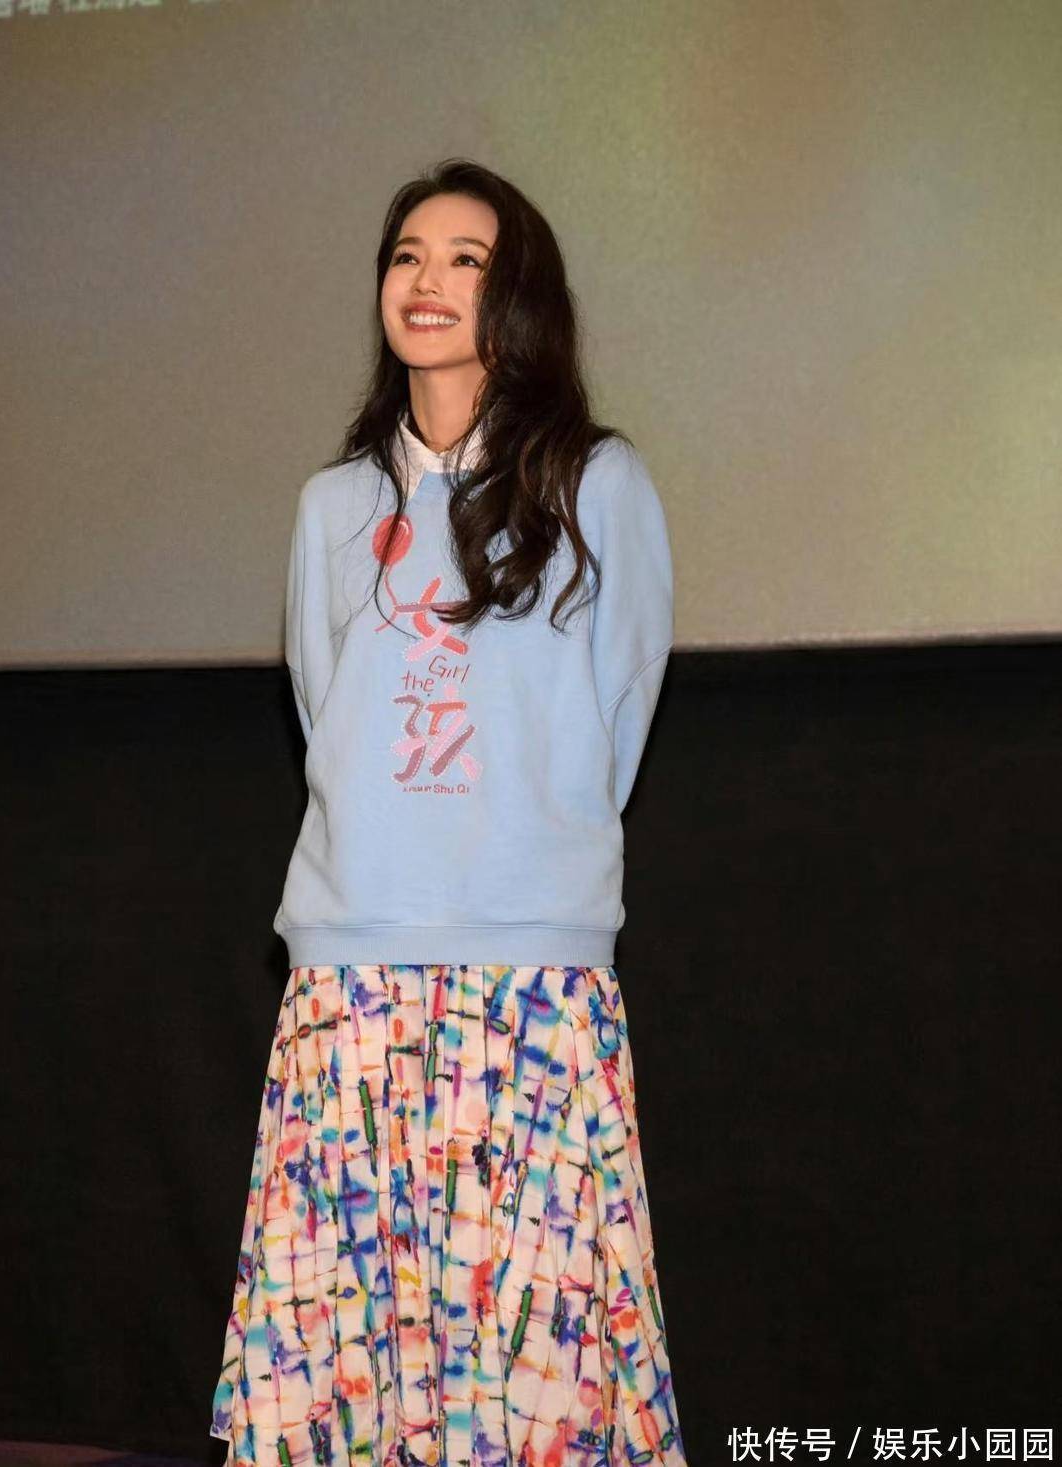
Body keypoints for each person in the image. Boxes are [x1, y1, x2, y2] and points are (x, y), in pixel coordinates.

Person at [210, 158, 688, 1467]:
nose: (426, 281)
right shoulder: (332, 506)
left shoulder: (594, 484)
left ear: (515, 292)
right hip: (350, 976)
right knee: (343, 1356)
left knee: (532, 1363)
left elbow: (619, 713)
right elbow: (328, 715)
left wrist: (516, 849)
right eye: (405, 255)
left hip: (528, 976)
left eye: (464, 259)